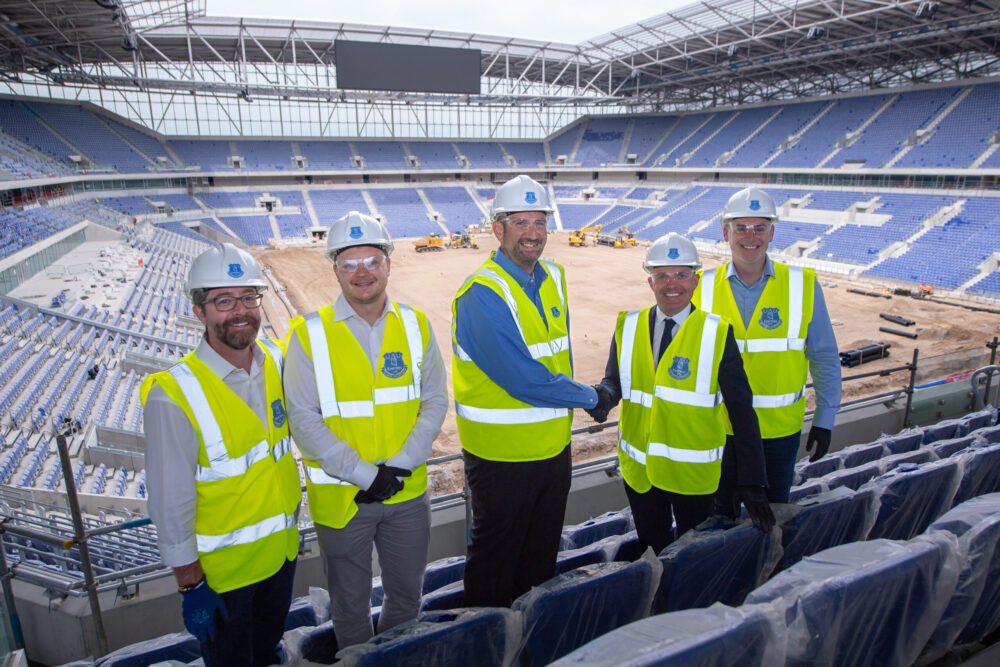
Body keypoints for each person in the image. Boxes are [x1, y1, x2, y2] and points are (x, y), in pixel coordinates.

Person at [283, 211, 447, 648]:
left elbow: (434, 401)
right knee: (350, 606)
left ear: (389, 264)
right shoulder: (307, 335)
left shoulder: (415, 324)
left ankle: (392, 658)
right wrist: (367, 476)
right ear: (334, 268)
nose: (362, 273)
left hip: (407, 494)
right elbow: (303, 420)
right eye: (350, 263)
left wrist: (400, 466)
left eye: (372, 260)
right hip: (343, 499)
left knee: (407, 597)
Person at [141, 243, 301, 667]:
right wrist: (190, 584)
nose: (240, 311)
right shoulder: (173, 395)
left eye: (249, 297)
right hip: (224, 580)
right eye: (223, 301)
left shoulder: (277, 362)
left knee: (268, 655)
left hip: (280, 560)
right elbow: (169, 501)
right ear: (200, 311)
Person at [452, 174, 601, 608]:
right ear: (497, 229)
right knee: (495, 571)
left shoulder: (552, 276)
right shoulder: (481, 294)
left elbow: (560, 357)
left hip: (553, 450)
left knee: (539, 565)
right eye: (521, 222)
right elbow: (522, 378)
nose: (533, 233)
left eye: (540, 222)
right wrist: (593, 397)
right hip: (502, 461)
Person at [589, 233, 774, 553]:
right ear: (651, 282)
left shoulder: (717, 332)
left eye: (682, 275)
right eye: (662, 275)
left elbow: (742, 410)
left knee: (694, 556)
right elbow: (615, 381)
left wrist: (753, 479)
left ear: (696, 280)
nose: (671, 284)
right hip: (640, 473)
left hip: (693, 476)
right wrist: (604, 396)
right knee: (653, 551)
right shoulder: (627, 325)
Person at [693, 187, 842, 509]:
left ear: (772, 232)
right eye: (741, 227)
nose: (751, 236)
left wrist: (825, 416)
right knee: (720, 522)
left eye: (759, 227)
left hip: (779, 434)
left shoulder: (803, 284)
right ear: (725, 232)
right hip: (720, 432)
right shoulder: (700, 287)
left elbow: (824, 355)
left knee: (772, 522)